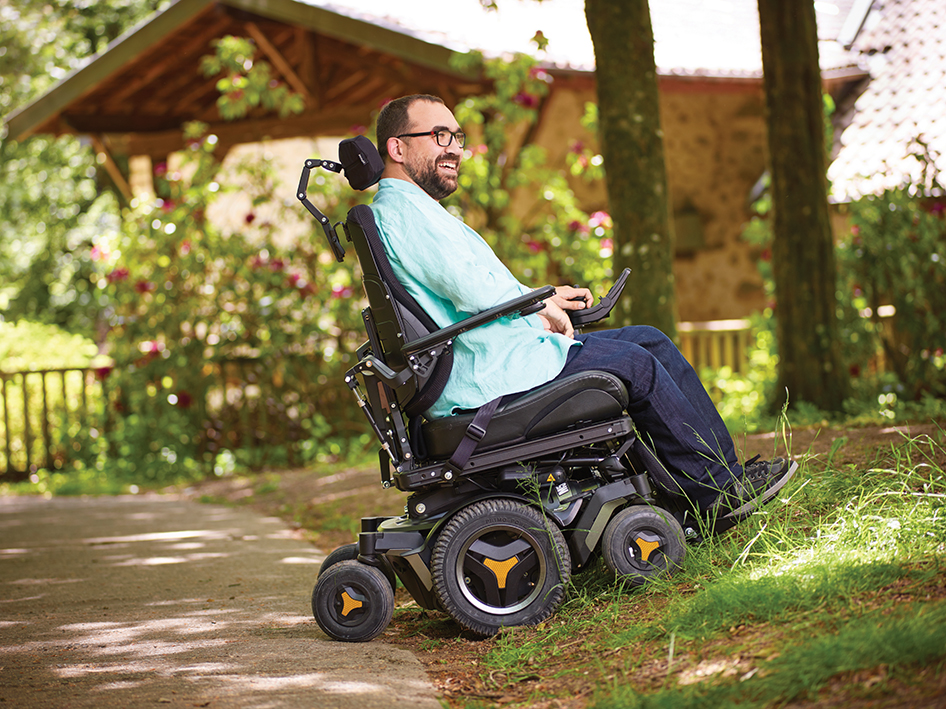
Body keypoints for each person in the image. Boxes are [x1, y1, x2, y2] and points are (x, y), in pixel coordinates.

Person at [369, 93, 795, 531]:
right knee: (636, 364)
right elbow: (472, 288)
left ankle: (722, 480)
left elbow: (472, 285)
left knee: (648, 339)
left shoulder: (412, 210)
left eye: (458, 136)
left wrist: (544, 299)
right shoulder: (402, 213)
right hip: (489, 372)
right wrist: (539, 304)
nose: (456, 147)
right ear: (397, 148)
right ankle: (715, 496)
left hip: (496, 353)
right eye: (440, 135)